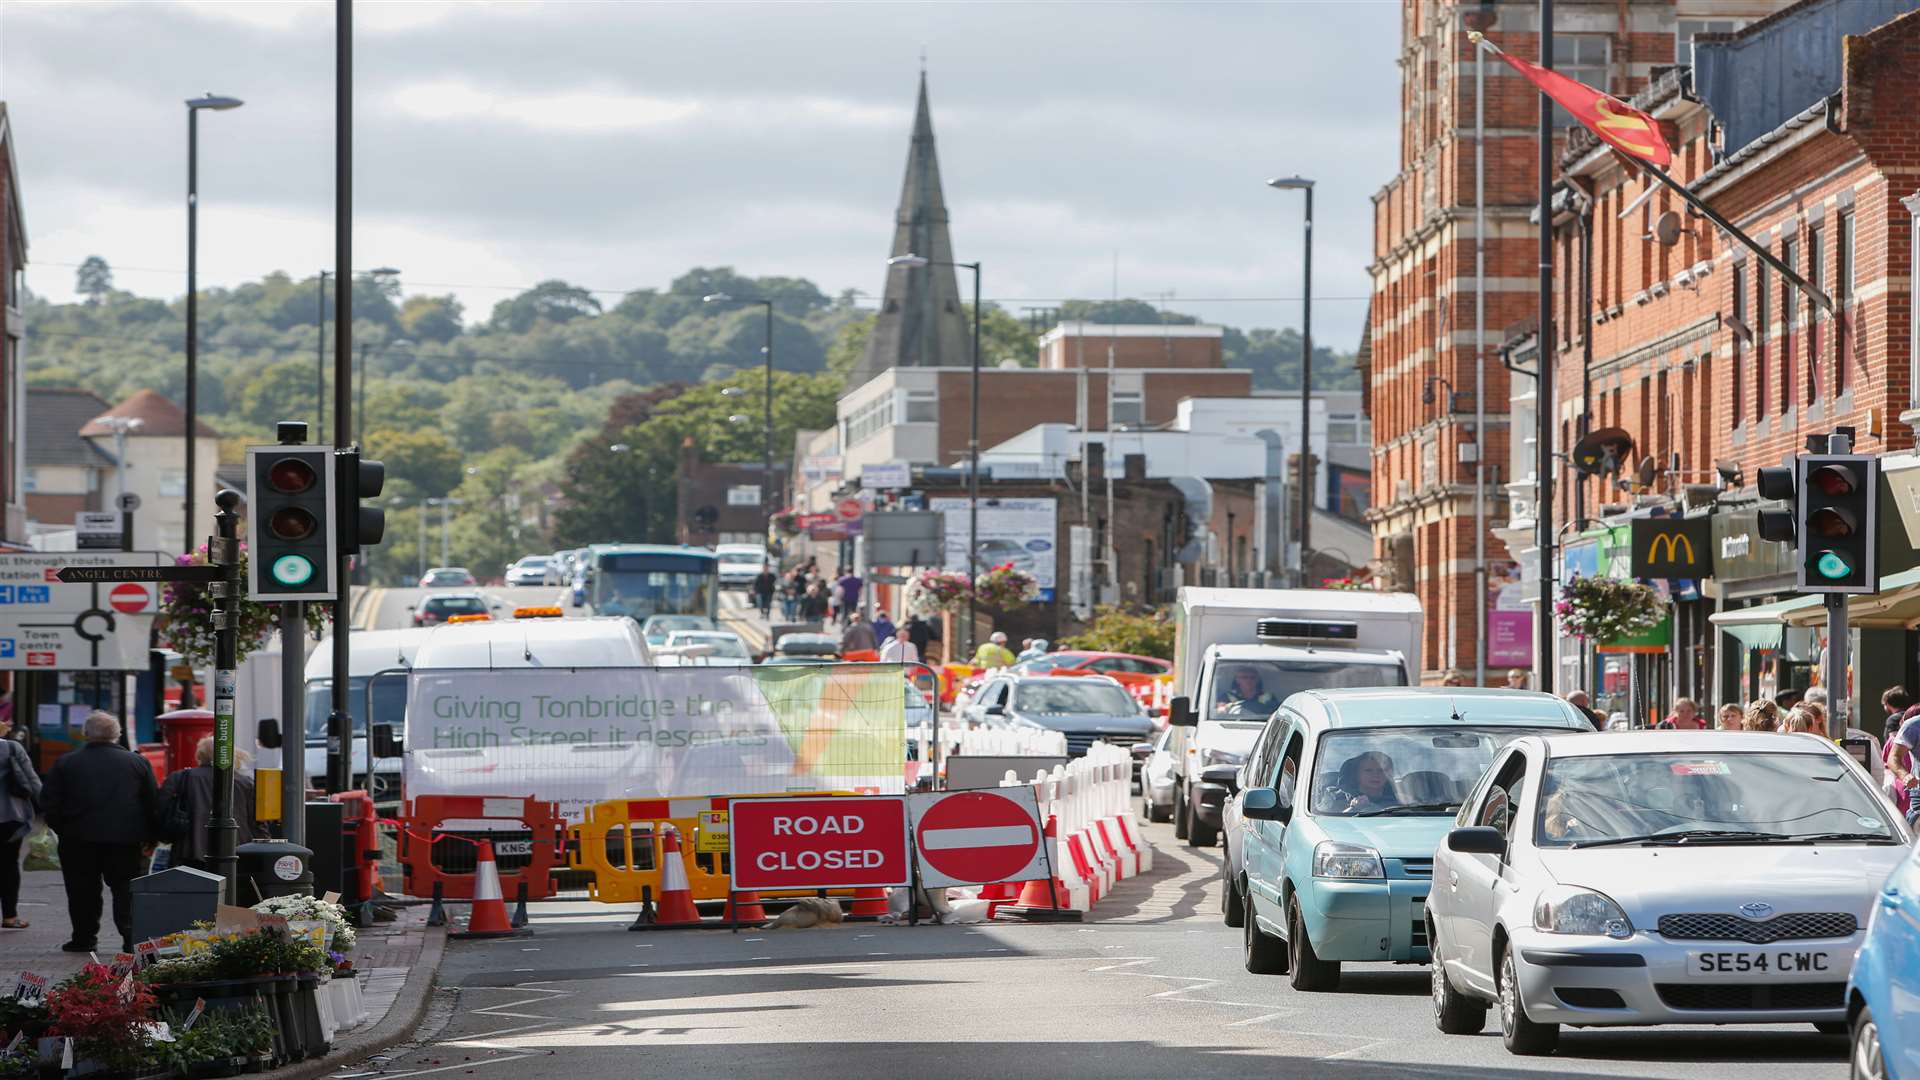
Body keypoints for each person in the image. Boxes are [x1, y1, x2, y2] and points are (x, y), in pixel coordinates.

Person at [41, 711, 157, 954]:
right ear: (117, 734)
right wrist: (150, 836)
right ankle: (130, 937)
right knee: (126, 890)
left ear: (85, 734)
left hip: (78, 839)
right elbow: (151, 804)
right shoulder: (137, 762)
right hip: (126, 840)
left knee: (82, 890)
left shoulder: (66, 763)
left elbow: (50, 804)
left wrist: (64, 829)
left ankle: (84, 938)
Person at [157, 735, 266, 873]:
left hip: (190, 850)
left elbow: (160, 808)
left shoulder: (180, 777)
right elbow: (257, 820)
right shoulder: (246, 783)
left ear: (200, 755)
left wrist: (158, 837)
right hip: (237, 849)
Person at [0, 707, 41, 930]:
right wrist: (50, 809)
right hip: (9, 817)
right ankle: (9, 916)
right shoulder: (11, 748)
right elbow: (33, 782)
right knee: (8, 865)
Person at [1328, 751, 1400, 813]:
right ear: (1356, 774)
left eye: (1381, 770)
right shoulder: (1336, 799)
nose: (1375, 775)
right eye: (1368, 770)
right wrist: (1354, 808)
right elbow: (1330, 824)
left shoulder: (1401, 799)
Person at [1215, 666, 1280, 718]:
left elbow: (1275, 715)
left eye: (1252, 677)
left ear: (1257, 680)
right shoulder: (1226, 697)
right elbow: (1219, 713)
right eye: (1244, 677)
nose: (1248, 680)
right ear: (1237, 680)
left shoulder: (1268, 697)